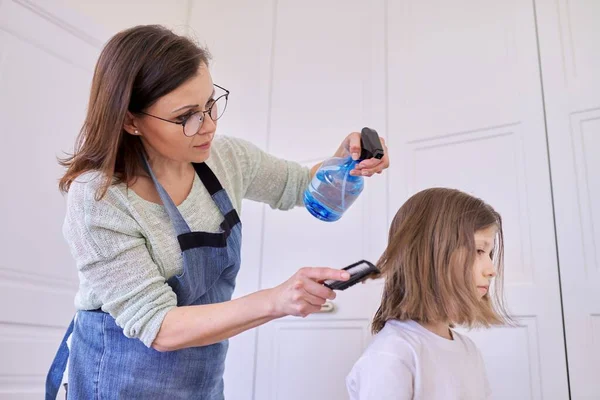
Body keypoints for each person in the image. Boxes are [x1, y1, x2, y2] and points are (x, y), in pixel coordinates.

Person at [44, 24, 389, 399]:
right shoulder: (98, 199)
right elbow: (159, 327)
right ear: (130, 121)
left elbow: (299, 187)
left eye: (210, 104)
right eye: (186, 116)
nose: (209, 126)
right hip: (116, 379)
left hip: (200, 380)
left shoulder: (226, 159)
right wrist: (276, 299)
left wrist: (343, 164)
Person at [346, 188, 511, 400]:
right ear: (431, 254)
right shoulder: (393, 354)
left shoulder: (468, 350)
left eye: (490, 254)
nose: (491, 269)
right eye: (479, 251)